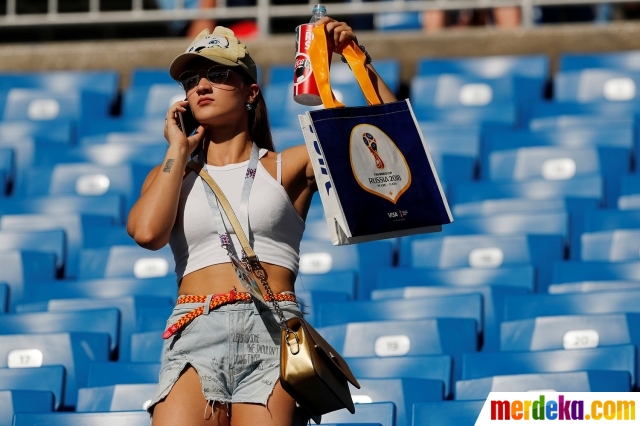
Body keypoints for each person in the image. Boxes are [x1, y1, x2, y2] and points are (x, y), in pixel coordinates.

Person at [126, 19, 396, 426]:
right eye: (190, 80)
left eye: (218, 75)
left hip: (271, 330)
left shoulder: (289, 164)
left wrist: (356, 59)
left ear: (251, 92)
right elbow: (147, 233)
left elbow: (387, 141)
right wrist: (178, 149)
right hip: (194, 325)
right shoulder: (172, 172)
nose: (201, 85)